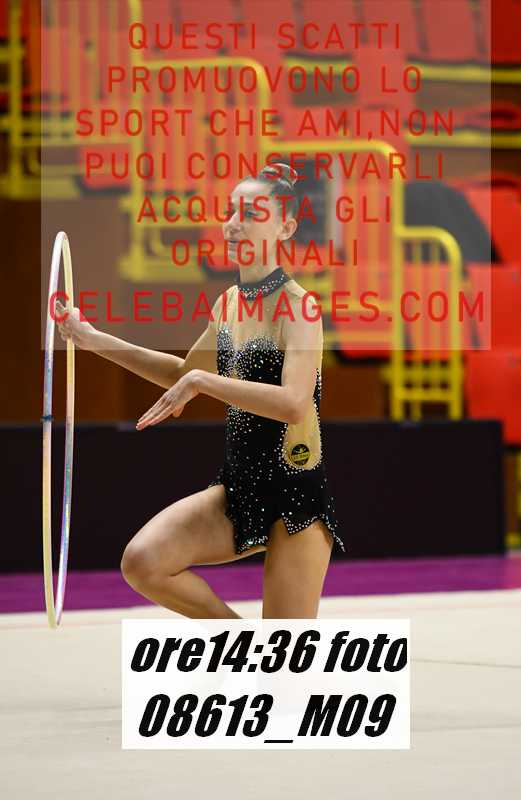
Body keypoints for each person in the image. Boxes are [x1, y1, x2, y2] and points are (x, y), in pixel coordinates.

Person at [55, 163, 346, 619]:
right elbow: (183, 373)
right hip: (239, 489)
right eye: (231, 211)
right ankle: (243, 645)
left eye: (250, 213)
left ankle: (270, 656)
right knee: (143, 561)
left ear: (285, 228)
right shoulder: (227, 304)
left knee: (286, 660)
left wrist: (202, 382)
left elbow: (293, 404)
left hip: (294, 494)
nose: (232, 224)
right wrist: (94, 339)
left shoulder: (299, 309)